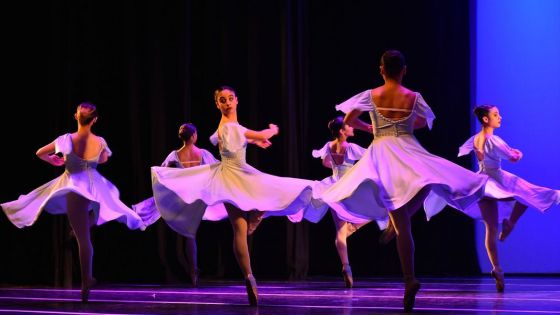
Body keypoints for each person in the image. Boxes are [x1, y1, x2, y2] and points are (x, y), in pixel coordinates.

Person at [318, 50, 489, 312]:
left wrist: (371, 127)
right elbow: (425, 121)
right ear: (404, 70)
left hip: (383, 152)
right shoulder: (413, 97)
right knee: (429, 179)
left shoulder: (371, 94)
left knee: (401, 221)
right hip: (408, 149)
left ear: (381, 69)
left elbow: (349, 119)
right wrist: (405, 124)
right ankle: (405, 258)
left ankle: (409, 278)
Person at [150, 86, 315, 306]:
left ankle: (249, 275)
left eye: (229, 99)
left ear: (236, 100)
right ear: (217, 104)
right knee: (275, 191)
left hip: (227, 176)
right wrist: (271, 131)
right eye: (222, 100)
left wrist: (254, 141)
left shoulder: (225, 128)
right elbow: (253, 133)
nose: (227, 103)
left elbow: (229, 140)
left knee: (240, 229)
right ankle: (256, 222)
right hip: (237, 173)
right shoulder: (232, 126)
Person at [1, 102, 145, 302]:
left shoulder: (65, 139)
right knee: (107, 208)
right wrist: (93, 158)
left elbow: (39, 152)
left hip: (74, 186)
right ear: (95, 120)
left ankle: (86, 281)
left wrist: (53, 159)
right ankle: (87, 273)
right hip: (95, 186)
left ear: (76, 117)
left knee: (83, 239)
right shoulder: (100, 141)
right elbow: (103, 159)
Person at [425, 104, 560, 292]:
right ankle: (511, 223)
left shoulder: (476, 138)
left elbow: (469, 150)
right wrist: (518, 153)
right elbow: (512, 157)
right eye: (496, 115)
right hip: (496, 178)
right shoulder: (493, 139)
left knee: (491, 228)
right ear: (486, 119)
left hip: (481, 182)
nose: (500, 117)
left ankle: (497, 268)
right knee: (527, 194)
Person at [289, 116, 388, 288]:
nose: (352, 128)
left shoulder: (329, 145)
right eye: (349, 126)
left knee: (340, 232)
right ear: (343, 131)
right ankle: (354, 227)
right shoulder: (350, 148)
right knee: (381, 209)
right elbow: (371, 157)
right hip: (348, 188)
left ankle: (346, 267)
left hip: (333, 188)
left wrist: (337, 167)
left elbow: (325, 162)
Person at [133, 122, 227, 287]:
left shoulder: (175, 155)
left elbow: (163, 172)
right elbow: (218, 169)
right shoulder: (202, 153)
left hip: (184, 199)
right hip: (198, 198)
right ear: (194, 136)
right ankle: (193, 270)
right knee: (191, 235)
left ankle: (192, 270)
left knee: (189, 235)